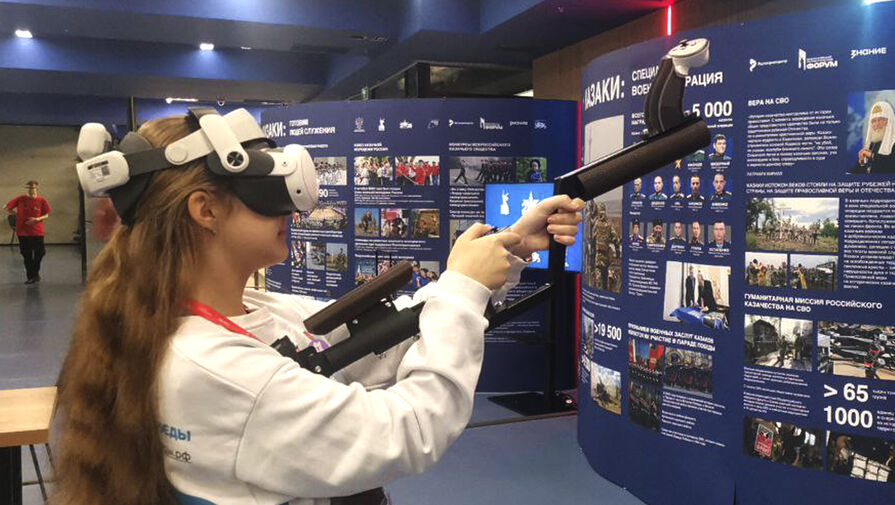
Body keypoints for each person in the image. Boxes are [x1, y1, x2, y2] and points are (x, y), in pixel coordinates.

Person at [51, 114, 585, 505]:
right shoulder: (214, 367)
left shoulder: (245, 311)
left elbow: (381, 334)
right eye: (263, 192)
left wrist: (509, 248)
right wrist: (463, 291)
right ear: (205, 210)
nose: (288, 211)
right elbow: (407, 431)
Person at [5, 180, 51, 284]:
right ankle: (31, 276)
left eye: (33, 188)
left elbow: (46, 214)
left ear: (37, 188)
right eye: (29, 188)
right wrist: (17, 215)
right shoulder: (21, 199)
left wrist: (37, 219)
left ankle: (35, 272)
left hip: (37, 231)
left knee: (40, 252)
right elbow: (7, 207)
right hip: (23, 231)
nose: (31, 190)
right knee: (27, 254)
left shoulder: (42, 200)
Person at [852, 101, 895, 174]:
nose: (876, 124)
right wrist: (862, 163)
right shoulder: (873, 143)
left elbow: (891, 165)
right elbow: (868, 169)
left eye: (880, 120)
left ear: (889, 121)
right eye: (874, 121)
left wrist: (872, 155)